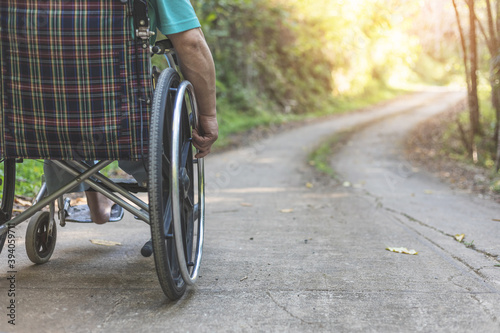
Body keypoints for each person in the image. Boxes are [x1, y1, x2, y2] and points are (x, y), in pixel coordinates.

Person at [44, 0, 218, 224]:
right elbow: (191, 43)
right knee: (109, 95)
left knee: (63, 91)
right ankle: (161, 186)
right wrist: (207, 115)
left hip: (35, 113)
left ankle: (92, 192)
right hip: (119, 106)